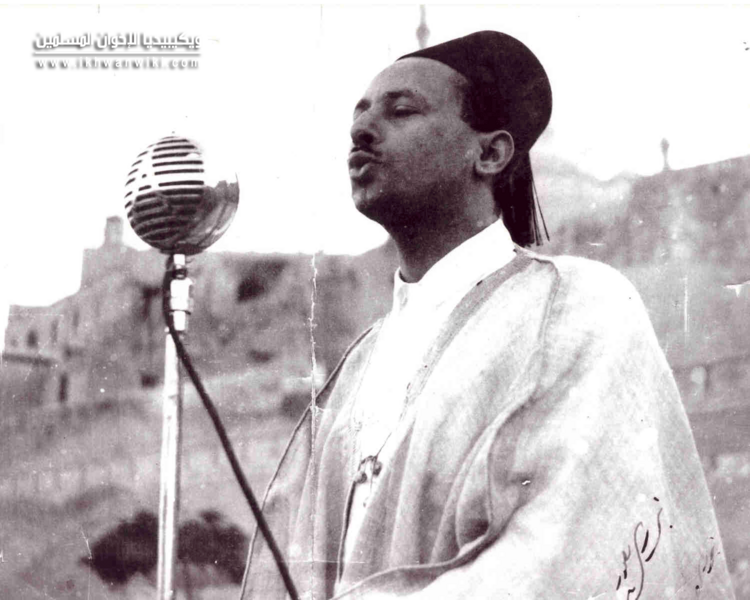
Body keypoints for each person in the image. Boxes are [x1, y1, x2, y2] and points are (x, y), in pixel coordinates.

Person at [240, 31, 734, 599]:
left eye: (401, 110)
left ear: (490, 154)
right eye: (360, 113)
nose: (362, 130)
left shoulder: (577, 306)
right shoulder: (360, 364)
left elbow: (563, 552)